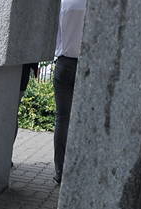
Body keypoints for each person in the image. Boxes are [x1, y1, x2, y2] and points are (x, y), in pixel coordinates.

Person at [52, 0, 86, 185]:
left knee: (62, 118)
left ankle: (60, 171)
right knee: (83, 119)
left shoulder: (64, 2)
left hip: (64, 63)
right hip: (86, 63)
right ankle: (80, 169)